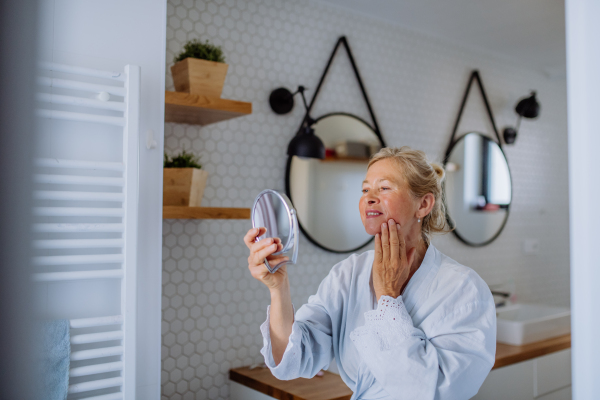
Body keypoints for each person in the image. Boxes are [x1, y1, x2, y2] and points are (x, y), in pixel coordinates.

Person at [243, 146, 496, 400]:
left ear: (424, 204)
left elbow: (438, 391)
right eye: (365, 190)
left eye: (384, 188)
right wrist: (278, 287)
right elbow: (292, 360)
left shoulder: (464, 289)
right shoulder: (348, 274)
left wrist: (388, 296)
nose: (369, 198)